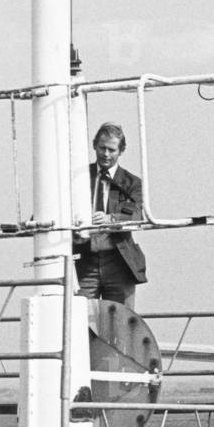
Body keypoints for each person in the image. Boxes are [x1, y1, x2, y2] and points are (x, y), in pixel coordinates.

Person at [74, 122, 147, 308]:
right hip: (84, 261)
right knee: (80, 319)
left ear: (120, 151)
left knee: (120, 321)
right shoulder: (78, 179)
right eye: (102, 148)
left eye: (111, 150)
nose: (106, 154)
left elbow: (136, 212)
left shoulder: (131, 183)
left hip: (118, 261)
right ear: (94, 146)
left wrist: (110, 219)